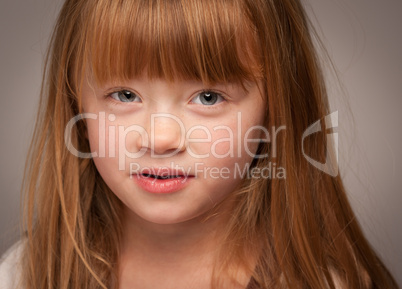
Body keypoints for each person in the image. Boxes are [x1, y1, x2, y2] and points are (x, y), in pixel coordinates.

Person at [0, 0, 399, 288]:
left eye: (208, 97)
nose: (161, 139)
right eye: (124, 95)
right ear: (76, 107)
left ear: (274, 110)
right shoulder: (26, 275)